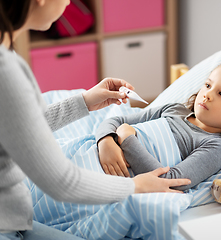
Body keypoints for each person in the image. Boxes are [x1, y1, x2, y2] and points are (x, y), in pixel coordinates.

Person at [0, 1, 190, 239]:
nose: (70, 2)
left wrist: (85, 102)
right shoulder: (7, 71)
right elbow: (62, 182)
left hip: (14, 217)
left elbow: (18, 126)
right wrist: (136, 186)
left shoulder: (7, 55)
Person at [96, 61, 221, 190]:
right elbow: (115, 122)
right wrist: (105, 142)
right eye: (208, 85)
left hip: (106, 179)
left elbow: (171, 182)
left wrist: (127, 139)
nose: (207, 94)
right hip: (97, 152)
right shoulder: (174, 109)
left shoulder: (215, 146)